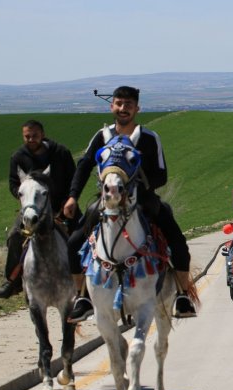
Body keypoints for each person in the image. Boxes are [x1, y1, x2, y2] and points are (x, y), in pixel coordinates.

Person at [63, 86, 196, 320]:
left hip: (144, 202)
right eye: (119, 103)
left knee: (178, 242)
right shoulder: (102, 136)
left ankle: (183, 295)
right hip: (107, 203)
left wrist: (135, 186)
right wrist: (73, 196)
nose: (123, 108)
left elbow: (161, 175)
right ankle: (82, 296)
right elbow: (84, 166)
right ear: (111, 106)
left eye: (128, 105)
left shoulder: (149, 138)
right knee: (73, 243)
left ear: (137, 108)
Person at [0, 120, 82, 298]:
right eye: (27, 136)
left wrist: (69, 200)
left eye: (34, 135)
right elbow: (13, 183)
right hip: (32, 209)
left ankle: (88, 277)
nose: (31, 139)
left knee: (82, 234)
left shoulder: (60, 152)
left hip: (62, 205)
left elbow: (73, 179)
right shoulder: (18, 157)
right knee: (14, 236)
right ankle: (13, 281)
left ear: (42, 134)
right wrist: (24, 198)